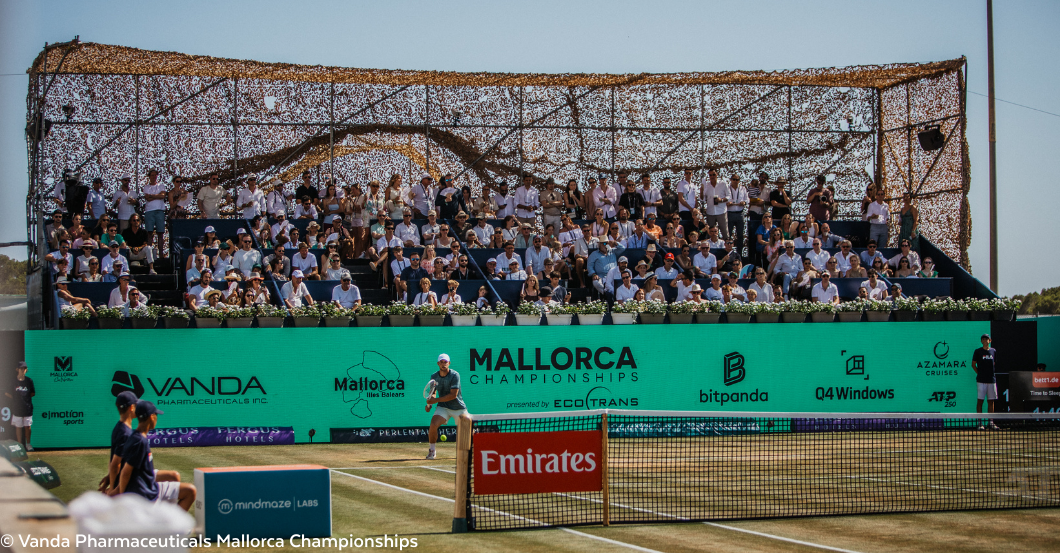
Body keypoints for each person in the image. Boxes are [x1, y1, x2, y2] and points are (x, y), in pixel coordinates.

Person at [117, 400, 197, 509]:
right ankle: (170, 520)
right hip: (146, 495)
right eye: (156, 415)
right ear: (152, 417)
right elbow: (125, 472)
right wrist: (123, 498)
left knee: (178, 480)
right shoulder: (140, 441)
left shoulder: (136, 437)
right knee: (190, 491)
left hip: (149, 488)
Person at [424, 353, 471, 460]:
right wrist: (430, 404)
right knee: (433, 425)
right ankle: (432, 451)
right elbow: (433, 393)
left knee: (468, 431)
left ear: (449, 363)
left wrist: (435, 400)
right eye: (441, 362)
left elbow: (453, 395)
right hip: (443, 407)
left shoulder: (455, 375)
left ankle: (473, 449)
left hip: (458, 408)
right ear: (438, 363)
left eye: (445, 362)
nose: (443, 364)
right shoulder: (434, 377)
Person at [100, 391, 138, 494]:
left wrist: (109, 477)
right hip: (124, 486)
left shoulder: (119, 427)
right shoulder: (125, 433)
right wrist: (112, 489)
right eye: (136, 405)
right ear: (131, 407)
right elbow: (116, 463)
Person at [5, 362, 35, 451]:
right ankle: (20, 445)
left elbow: (32, 393)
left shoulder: (29, 381)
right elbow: (7, 393)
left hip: (27, 407)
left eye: (24, 368)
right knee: (18, 427)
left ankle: (28, 444)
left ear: (26, 370)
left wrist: (25, 398)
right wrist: (16, 399)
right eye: (21, 368)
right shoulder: (13, 381)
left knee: (27, 426)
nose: (23, 370)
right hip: (17, 408)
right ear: (17, 369)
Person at [972, 334, 1000, 427]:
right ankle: (980, 423)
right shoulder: (978, 351)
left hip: (991, 380)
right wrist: (979, 373)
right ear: (981, 341)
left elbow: (994, 363)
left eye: (986, 339)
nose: (985, 340)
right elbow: (973, 364)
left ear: (990, 340)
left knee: (991, 401)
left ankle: (991, 422)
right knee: (980, 401)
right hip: (981, 381)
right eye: (983, 339)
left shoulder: (993, 351)